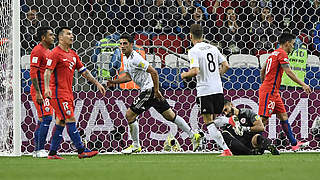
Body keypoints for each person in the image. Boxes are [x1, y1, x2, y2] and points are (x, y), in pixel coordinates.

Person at [106, 34, 201, 154]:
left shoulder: (136, 58)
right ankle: (193, 136)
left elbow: (154, 72)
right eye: (121, 43)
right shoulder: (125, 57)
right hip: (151, 89)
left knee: (130, 115)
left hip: (149, 89)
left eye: (125, 43)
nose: (122, 46)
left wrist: (156, 91)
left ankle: (135, 145)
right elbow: (129, 76)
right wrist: (113, 82)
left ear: (131, 45)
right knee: (170, 116)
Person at [44, 27, 106, 159]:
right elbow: (47, 71)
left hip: (68, 93)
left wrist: (97, 83)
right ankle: (81, 150)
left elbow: (84, 71)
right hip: (58, 93)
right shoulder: (55, 53)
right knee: (70, 119)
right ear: (60, 37)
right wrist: (46, 88)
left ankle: (52, 152)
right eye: (68, 34)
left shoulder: (73, 54)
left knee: (60, 121)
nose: (72, 36)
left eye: (72, 34)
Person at [180, 24, 232, 156]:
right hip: (218, 88)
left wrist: (184, 75)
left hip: (205, 90)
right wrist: (217, 75)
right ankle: (231, 121)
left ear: (190, 36)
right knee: (214, 119)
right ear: (202, 35)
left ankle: (226, 150)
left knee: (208, 121)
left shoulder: (193, 51)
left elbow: (195, 70)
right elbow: (226, 65)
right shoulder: (213, 48)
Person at [258, 33, 312, 151]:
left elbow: (263, 70)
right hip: (269, 91)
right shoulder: (282, 53)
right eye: (292, 45)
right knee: (263, 119)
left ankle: (294, 144)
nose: (293, 47)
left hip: (273, 91)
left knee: (283, 116)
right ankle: (257, 145)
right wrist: (303, 84)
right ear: (287, 43)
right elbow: (288, 72)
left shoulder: (274, 53)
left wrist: (264, 83)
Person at [30, 27, 55, 158]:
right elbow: (33, 72)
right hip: (39, 90)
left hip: (45, 90)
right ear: (43, 37)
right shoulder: (37, 51)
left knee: (42, 119)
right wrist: (39, 92)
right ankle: (40, 149)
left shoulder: (48, 51)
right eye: (50, 35)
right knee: (47, 117)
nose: (53, 37)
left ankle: (36, 150)